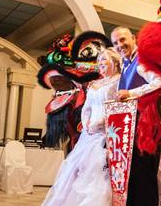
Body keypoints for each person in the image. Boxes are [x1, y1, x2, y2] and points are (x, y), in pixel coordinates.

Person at [42, 48, 121, 206]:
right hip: (89, 134)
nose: (100, 63)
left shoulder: (120, 81)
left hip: (109, 132)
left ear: (115, 62)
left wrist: (101, 122)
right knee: (76, 172)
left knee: (100, 173)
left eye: (104, 60)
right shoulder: (95, 84)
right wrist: (86, 123)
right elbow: (87, 107)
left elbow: (119, 107)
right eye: (99, 61)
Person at [111, 27, 161, 206]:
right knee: (134, 178)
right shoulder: (126, 63)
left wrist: (130, 93)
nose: (120, 45)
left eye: (123, 40)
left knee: (144, 179)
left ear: (133, 38)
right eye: (115, 43)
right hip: (130, 129)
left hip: (146, 129)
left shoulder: (143, 60)